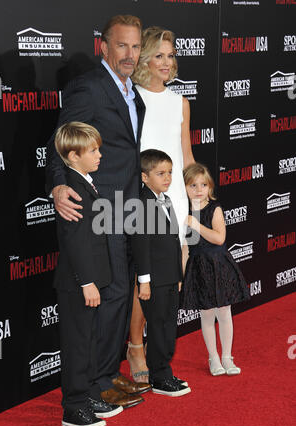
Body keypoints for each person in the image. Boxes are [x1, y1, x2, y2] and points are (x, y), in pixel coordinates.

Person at [46, 15, 151, 409]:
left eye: (136, 46)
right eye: (122, 46)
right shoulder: (89, 88)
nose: (130, 54)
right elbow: (62, 141)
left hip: (127, 207)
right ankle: (92, 383)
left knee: (120, 294)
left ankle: (106, 374)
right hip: (97, 210)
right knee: (106, 297)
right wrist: (58, 185)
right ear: (103, 47)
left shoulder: (132, 92)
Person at [127, 26, 195, 382]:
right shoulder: (132, 97)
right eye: (159, 55)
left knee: (169, 281)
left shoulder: (181, 102)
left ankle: (159, 353)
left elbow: (185, 154)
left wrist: (196, 194)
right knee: (146, 277)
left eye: (170, 55)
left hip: (175, 198)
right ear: (145, 60)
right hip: (143, 196)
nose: (166, 62)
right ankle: (135, 345)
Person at [54, 122, 123, 426]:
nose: (99, 155)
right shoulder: (72, 189)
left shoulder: (84, 181)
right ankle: (74, 408)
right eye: (93, 150)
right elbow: (75, 241)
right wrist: (86, 281)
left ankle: (89, 395)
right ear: (72, 155)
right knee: (78, 345)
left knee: (92, 342)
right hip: (78, 283)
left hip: (92, 278)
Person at [131, 149, 191, 396]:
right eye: (160, 173)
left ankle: (164, 372)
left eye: (169, 173)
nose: (167, 178)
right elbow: (141, 245)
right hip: (153, 279)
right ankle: (159, 376)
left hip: (169, 277)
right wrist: (144, 281)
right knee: (157, 327)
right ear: (144, 177)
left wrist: (178, 275)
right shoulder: (142, 203)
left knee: (168, 325)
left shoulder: (164, 199)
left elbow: (173, 243)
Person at [181, 163, 250, 376]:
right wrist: (182, 275)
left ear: (210, 187)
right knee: (207, 313)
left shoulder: (214, 208)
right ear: (184, 188)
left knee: (224, 311)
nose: (199, 189)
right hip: (198, 267)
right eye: (193, 185)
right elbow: (184, 247)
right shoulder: (184, 211)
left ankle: (228, 357)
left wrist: (196, 224)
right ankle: (213, 358)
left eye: (203, 184)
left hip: (218, 264)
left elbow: (219, 238)